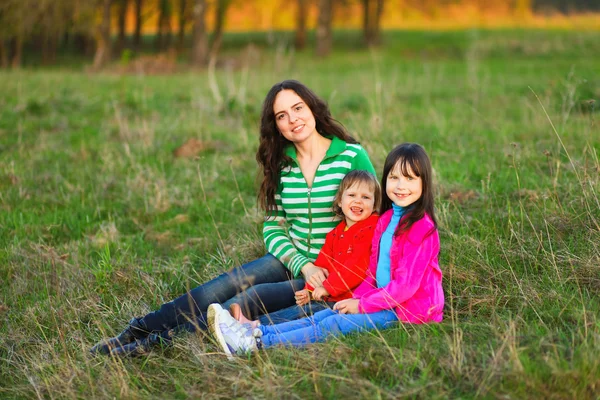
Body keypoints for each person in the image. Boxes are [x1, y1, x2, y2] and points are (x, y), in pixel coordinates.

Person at [90, 79, 376, 356]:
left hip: (330, 270)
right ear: (275, 125)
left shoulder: (351, 156)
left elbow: (378, 215)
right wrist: (302, 264)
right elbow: (274, 226)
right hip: (290, 258)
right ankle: (137, 330)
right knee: (217, 287)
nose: (293, 119)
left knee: (237, 304)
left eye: (298, 108)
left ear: (312, 108)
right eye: (282, 115)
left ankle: (153, 344)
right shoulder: (282, 163)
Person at [209, 143, 444, 356]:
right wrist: (355, 299)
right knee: (326, 314)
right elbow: (372, 273)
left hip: (407, 310)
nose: (401, 186)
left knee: (334, 323)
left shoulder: (422, 229)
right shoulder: (386, 220)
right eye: (394, 177)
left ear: (424, 184)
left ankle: (255, 345)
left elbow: (406, 287)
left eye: (411, 178)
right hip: (380, 299)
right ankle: (257, 333)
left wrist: (361, 305)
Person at [230, 169, 380, 328]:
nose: (358, 201)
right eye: (352, 195)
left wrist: (327, 288)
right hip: (327, 293)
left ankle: (253, 328)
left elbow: (356, 267)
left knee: (301, 313)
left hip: (347, 300)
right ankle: (243, 320)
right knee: (296, 303)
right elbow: (322, 264)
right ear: (339, 201)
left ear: (374, 204)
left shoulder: (370, 229)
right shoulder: (336, 233)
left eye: (365, 197)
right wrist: (310, 289)